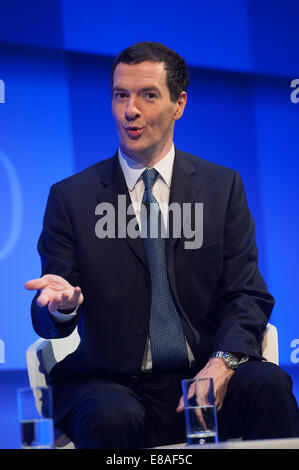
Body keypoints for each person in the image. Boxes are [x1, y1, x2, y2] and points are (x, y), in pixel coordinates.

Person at [25, 42, 299, 449]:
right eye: (120, 95)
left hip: (206, 374)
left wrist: (222, 365)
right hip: (114, 384)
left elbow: (247, 294)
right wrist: (60, 308)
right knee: (111, 418)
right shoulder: (72, 197)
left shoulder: (222, 188)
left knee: (269, 385)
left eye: (147, 95)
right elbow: (51, 304)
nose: (129, 110)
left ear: (179, 104)